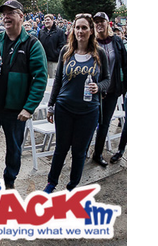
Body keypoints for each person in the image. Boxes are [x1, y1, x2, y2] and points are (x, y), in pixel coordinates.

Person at [0, 0, 48, 189]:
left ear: (21, 16)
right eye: (4, 13)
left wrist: (29, 108)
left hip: (15, 109)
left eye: (11, 13)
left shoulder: (32, 44)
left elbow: (40, 78)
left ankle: (9, 180)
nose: (6, 16)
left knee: (14, 148)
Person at [43, 14, 110, 193]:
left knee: (79, 151)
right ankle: (51, 183)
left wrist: (99, 86)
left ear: (91, 30)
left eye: (84, 28)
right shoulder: (66, 51)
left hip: (89, 111)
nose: (80, 31)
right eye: (77, 27)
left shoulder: (99, 53)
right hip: (64, 108)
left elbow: (107, 80)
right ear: (73, 30)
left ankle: (72, 187)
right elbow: (57, 81)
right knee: (61, 148)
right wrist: (51, 106)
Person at [91, 12, 127, 166]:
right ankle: (82, 152)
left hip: (112, 91)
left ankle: (97, 154)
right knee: (90, 122)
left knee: (105, 124)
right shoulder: (91, 42)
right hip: (94, 91)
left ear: (108, 23)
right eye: (96, 22)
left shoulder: (117, 42)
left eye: (102, 21)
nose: (99, 24)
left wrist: (124, 87)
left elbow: (125, 65)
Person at [38, 14, 66, 79]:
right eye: (45, 20)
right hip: (43, 61)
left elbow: (62, 45)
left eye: (48, 20)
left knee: (53, 79)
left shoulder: (59, 32)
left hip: (54, 61)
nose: (46, 22)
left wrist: (56, 53)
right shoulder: (41, 32)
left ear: (52, 20)